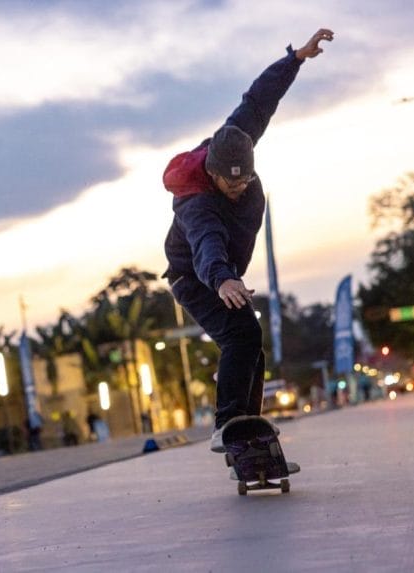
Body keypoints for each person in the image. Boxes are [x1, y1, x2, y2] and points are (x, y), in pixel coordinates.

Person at [162, 29, 334, 455]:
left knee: (251, 343)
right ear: (213, 175)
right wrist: (222, 279)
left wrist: (296, 58)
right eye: (230, 185)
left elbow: (259, 100)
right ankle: (226, 426)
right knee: (240, 336)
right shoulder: (197, 203)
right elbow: (207, 244)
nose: (239, 190)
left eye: (245, 182)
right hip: (195, 278)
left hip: (223, 275)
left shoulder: (235, 140)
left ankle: (247, 426)